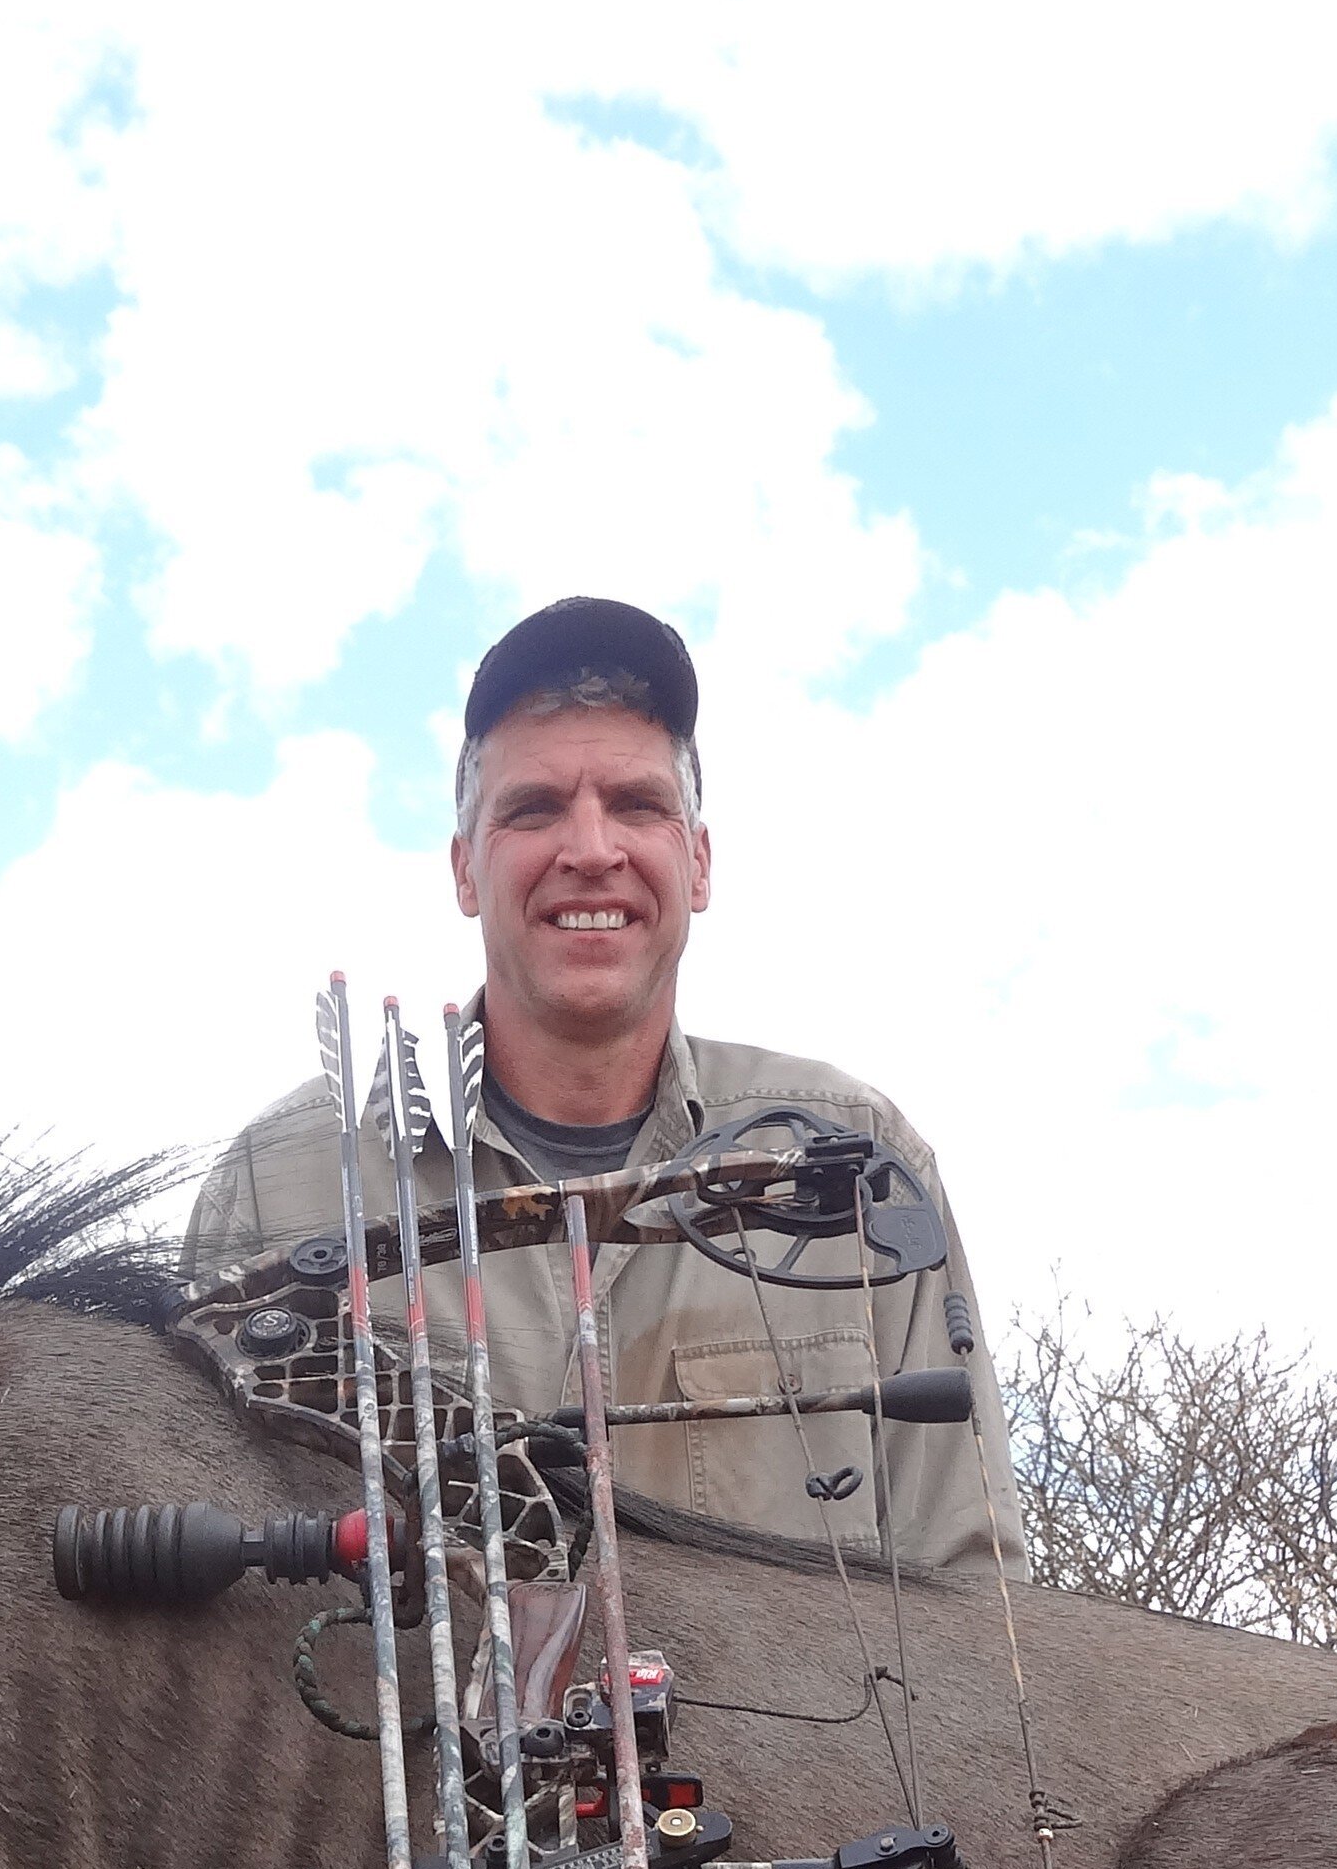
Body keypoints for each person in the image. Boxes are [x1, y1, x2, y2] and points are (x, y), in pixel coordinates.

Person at [183, 595, 1009, 1575]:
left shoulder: (864, 1164)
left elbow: (971, 1580)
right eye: (533, 809)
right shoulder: (281, 1184)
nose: (589, 850)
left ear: (697, 862)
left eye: (636, 804)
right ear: (464, 870)